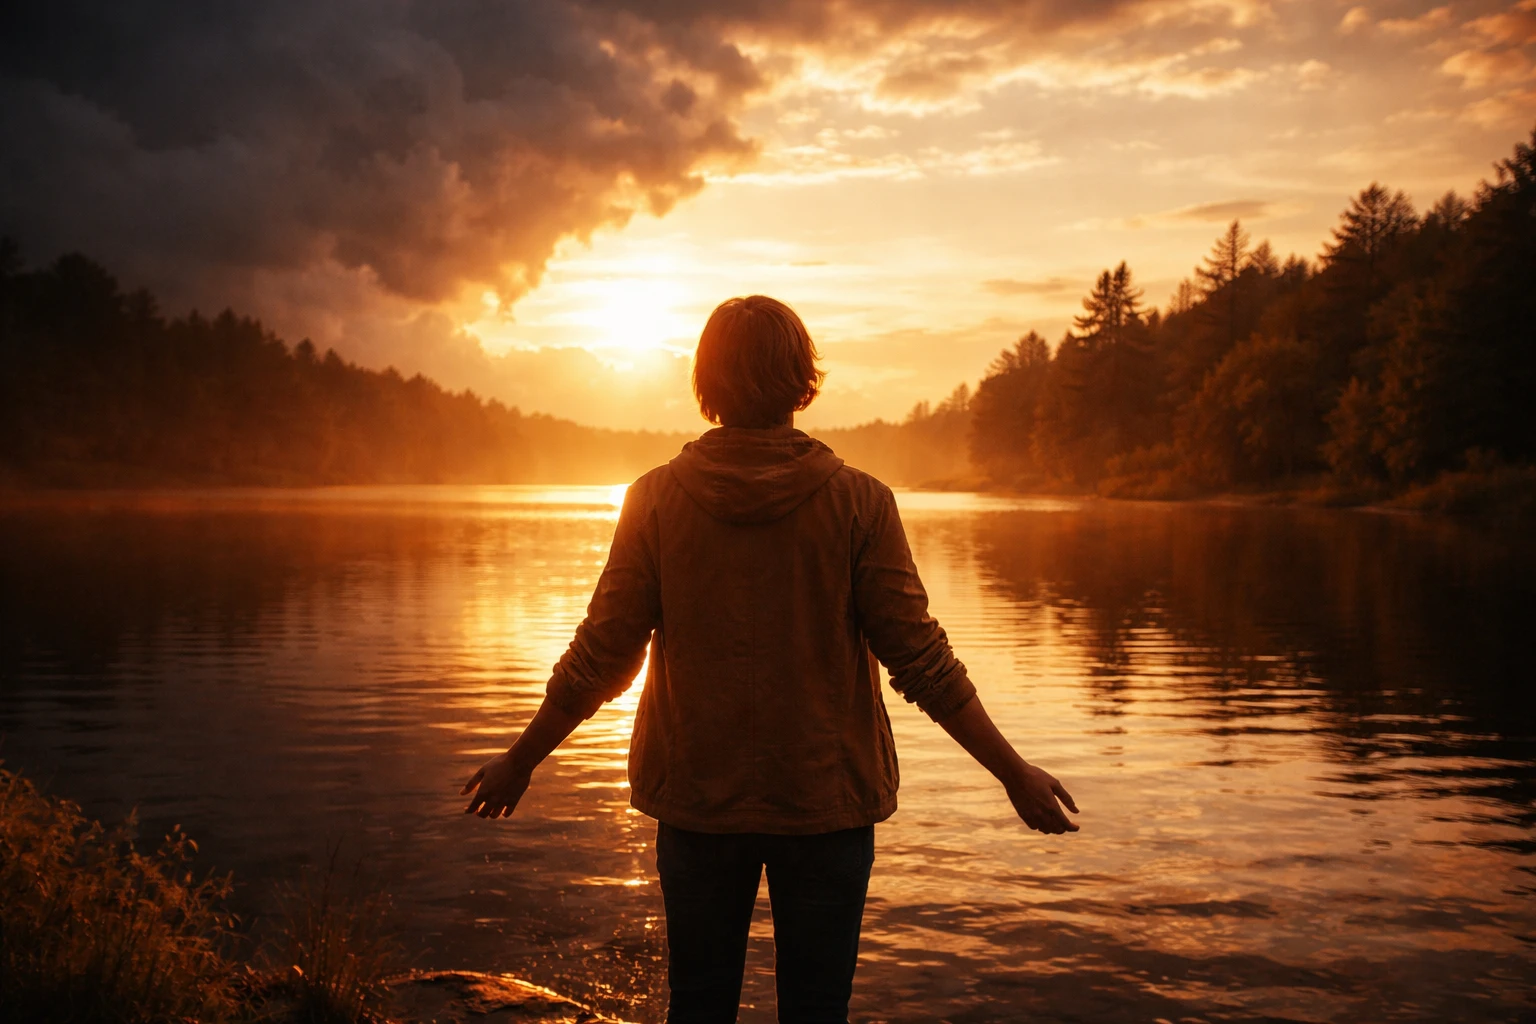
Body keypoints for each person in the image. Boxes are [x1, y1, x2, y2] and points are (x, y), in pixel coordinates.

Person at [461, 295, 1079, 1023]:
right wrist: (1014, 773)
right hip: (827, 804)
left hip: (697, 803)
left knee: (698, 1005)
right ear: (801, 380)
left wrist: (522, 758)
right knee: (817, 1012)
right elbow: (923, 663)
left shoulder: (656, 502)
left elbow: (601, 659)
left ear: (706, 385)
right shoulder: (860, 504)